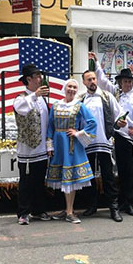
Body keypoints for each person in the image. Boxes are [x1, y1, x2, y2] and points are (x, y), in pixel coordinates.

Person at [96, 64, 133, 217]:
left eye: (130, 81)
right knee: (120, 170)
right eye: (125, 81)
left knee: (131, 170)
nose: (127, 84)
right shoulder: (115, 94)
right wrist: (96, 64)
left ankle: (130, 202)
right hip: (117, 136)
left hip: (131, 138)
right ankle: (122, 200)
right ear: (120, 83)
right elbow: (102, 81)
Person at [46, 79, 97, 224]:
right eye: (70, 86)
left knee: (70, 179)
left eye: (75, 87)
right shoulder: (56, 105)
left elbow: (92, 122)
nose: (72, 89)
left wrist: (79, 133)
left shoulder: (79, 106)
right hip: (59, 144)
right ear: (64, 88)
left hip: (71, 145)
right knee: (63, 177)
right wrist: (49, 145)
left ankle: (69, 211)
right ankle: (67, 209)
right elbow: (50, 126)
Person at [78, 60, 124, 222]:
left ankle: (113, 207)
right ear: (84, 82)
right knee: (89, 176)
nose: (92, 81)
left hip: (104, 141)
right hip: (87, 143)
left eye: (93, 79)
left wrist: (120, 123)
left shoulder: (106, 96)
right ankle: (92, 205)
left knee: (108, 176)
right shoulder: (81, 99)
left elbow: (119, 113)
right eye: (89, 79)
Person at [13, 64, 53, 225]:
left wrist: (49, 144)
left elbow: (47, 123)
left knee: (39, 182)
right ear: (28, 79)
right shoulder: (21, 98)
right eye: (37, 76)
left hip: (41, 149)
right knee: (26, 182)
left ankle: (39, 209)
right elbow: (21, 109)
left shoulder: (42, 99)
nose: (40, 79)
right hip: (27, 150)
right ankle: (23, 212)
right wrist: (35, 95)